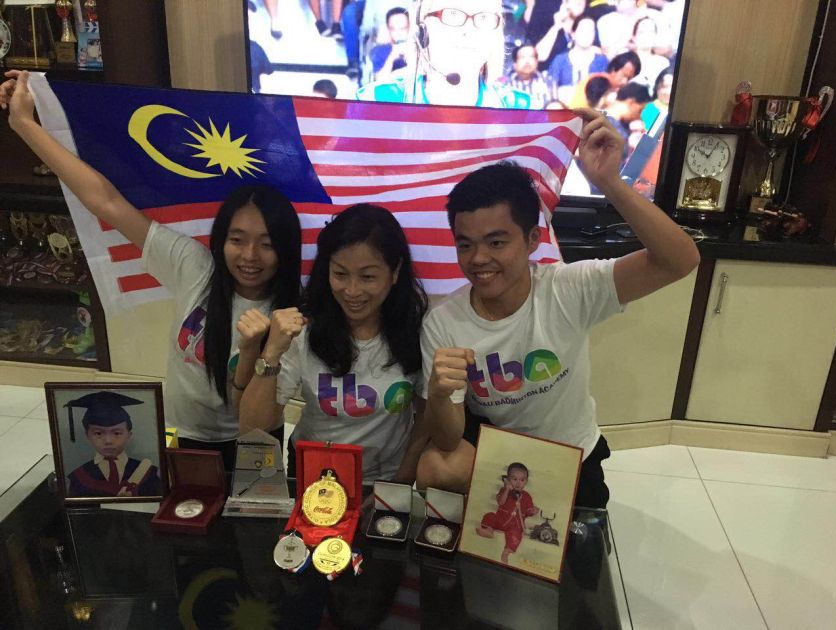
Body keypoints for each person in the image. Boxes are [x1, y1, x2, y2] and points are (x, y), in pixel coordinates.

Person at [0, 70, 302, 473]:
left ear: (286, 248)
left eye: (267, 244)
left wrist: (259, 349)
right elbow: (105, 200)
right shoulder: (194, 265)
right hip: (185, 434)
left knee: (251, 529)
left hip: (253, 438)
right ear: (220, 240)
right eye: (237, 239)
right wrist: (24, 124)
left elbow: (253, 413)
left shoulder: (289, 314)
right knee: (186, 525)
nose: (249, 256)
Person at [416, 109, 701, 507]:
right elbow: (447, 439)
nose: (478, 258)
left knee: (579, 557)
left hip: (570, 457)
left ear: (533, 240)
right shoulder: (443, 322)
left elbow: (680, 260)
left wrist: (609, 183)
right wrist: (439, 392)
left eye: (497, 242)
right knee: (435, 467)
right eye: (465, 244)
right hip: (497, 459)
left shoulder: (568, 288)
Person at [238, 204, 429, 483]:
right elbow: (251, 427)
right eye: (340, 274)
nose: (352, 291)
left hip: (384, 479)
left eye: (367, 277)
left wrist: (397, 484)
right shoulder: (302, 330)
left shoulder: (418, 330)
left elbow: (424, 422)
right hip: (314, 476)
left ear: (395, 271)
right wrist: (271, 352)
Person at [357, 0, 530, 109]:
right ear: (421, 30)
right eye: (452, 14)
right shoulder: (374, 102)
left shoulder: (521, 110)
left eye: (484, 17)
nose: (468, 30)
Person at [64, 391, 162, 498]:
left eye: (117, 433)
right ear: (87, 435)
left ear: (129, 435)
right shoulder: (77, 478)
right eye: (98, 433)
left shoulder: (151, 474)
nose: (108, 440)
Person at [477, 462, 539, 564]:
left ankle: (507, 551)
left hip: (514, 525)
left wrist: (532, 511)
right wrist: (506, 489)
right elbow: (500, 502)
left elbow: (528, 512)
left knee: (516, 534)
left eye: (522, 480)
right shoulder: (504, 490)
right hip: (499, 520)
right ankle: (488, 530)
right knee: (489, 515)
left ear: (526, 481)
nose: (518, 483)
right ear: (508, 479)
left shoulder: (527, 496)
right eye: (514, 479)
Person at [547, 15, 609, 89]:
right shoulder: (560, 61)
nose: (586, 34)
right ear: (573, 34)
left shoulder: (602, 61)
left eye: (590, 31)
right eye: (582, 30)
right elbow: (550, 87)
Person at [506, 43, 558, 110]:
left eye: (531, 57)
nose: (527, 61)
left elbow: (556, 110)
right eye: (522, 57)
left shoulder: (548, 82)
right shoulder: (506, 84)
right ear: (515, 64)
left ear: (537, 62)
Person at [368, 7, 410, 81]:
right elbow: (379, 82)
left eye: (403, 28)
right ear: (388, 29)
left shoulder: (420, 49)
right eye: (393, 29)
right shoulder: (380, 51)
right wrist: (392, 57)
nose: (399, 33)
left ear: (409, 27)